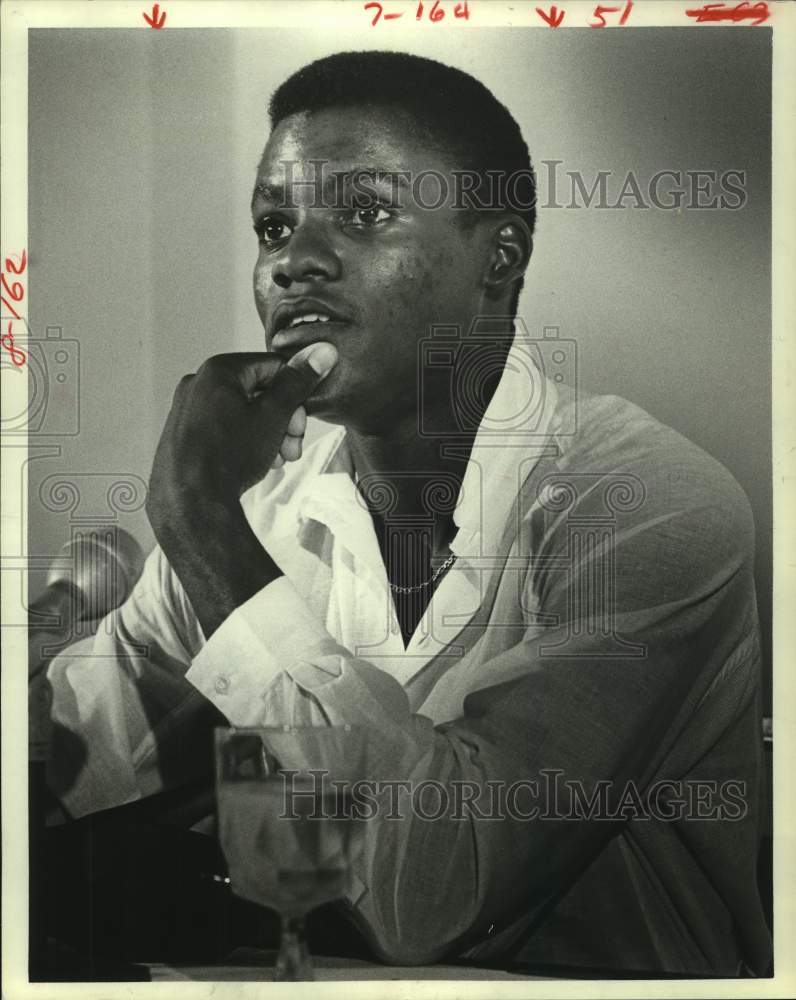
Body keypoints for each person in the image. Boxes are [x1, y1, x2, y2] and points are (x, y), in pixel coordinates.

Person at [40, 51, 771, 975]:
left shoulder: (650, 504)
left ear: (498, 259)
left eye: (365, 211)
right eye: (273, 225)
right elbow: (66, 765)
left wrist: (200, 522)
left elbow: (437, 889)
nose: (293, 260)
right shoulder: (262, 512)